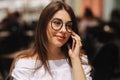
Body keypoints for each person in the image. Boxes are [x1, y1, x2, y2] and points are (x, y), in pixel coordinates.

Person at [8, 1, 92, 80]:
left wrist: (75, 59)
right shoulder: (25, 64)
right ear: (43, 25)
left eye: (68, 25)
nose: (64, 30)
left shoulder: (79, 60)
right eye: (57, 23)